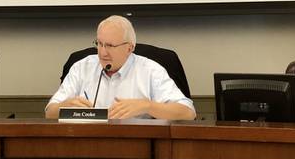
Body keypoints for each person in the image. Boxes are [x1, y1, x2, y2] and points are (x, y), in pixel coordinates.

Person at [46, 15, 196, 120]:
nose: (103, 52)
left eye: (110, 46)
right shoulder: (81, 68)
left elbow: (188, 113)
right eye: (99, 44)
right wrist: (65, 106)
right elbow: (49, 112)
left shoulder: (150, 70)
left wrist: (147, 106)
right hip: (87, 146)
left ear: (129, 48)